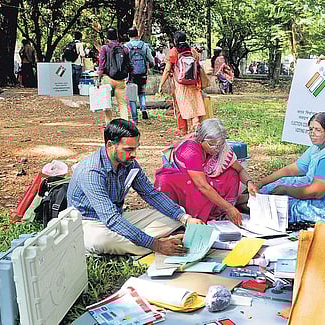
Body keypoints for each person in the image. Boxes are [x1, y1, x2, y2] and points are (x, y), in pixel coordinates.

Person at [67, 119, 204, 255]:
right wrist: (156, 245)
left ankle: (140, 242)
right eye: (129, 149)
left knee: (176, 214)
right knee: (103, 241)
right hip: (89, 223)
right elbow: (110, 218)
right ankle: (154, 244)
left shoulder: (129, 163)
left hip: (118, 216)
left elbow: (150, 193)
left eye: (136, 148)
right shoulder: (92, 171)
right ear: (110, 145)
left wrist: (185, 218)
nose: (134, 154)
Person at [256, 112, 325, 223]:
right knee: (267, 192)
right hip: (316, 192)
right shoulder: (316, 148)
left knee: (278, 208)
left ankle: (248, 204)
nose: (312, 134)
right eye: (310, 130)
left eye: (317, 130)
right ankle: (247, 200)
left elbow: (316, 192)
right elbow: (291, 170)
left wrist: (286, 190)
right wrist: (261, 183)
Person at [154, 118, 257, 225]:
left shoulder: (221, 148)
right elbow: (202, 185)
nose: (216, 149)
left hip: (201, 180)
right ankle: (196, 218)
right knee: (201, 189)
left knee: (231, 174)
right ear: (201, 139)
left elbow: (239, 169)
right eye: (211, 144)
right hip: (184, 184)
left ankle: (218, 213)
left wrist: (249, 182)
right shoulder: (190, 149)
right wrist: (229, 207)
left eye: (219, 144)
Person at [158, 31, 206, 135]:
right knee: (195, 105)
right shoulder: (193, 52)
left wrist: (161, 85)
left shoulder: (173, 52)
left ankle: (183, 131)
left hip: (180, 85)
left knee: (180, 106)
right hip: (193, 84)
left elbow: (167, 70)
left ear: (175, 41)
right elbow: (197, 67)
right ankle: (196, 127)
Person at [98, 28, 132, 123]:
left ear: (107, 37)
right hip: (121, 80)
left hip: (108, 79)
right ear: (116, 36)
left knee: (107, 103)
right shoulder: (124, 48)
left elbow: (101, 64)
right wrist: (129, 77)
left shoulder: (105, 48)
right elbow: (129, 64)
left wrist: (99, 78)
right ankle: (125, 124)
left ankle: (108, 123)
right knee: (122, 104)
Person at [125, 27, 154, 123]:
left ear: (128, 35)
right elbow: (151, 59)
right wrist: (151, 65)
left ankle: (135, 119)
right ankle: (143, 108)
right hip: (142, 73)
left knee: (132, 97)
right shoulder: (144, 46)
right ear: (137, 34)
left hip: (131, 74)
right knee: (141, 93)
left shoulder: (126, 46)